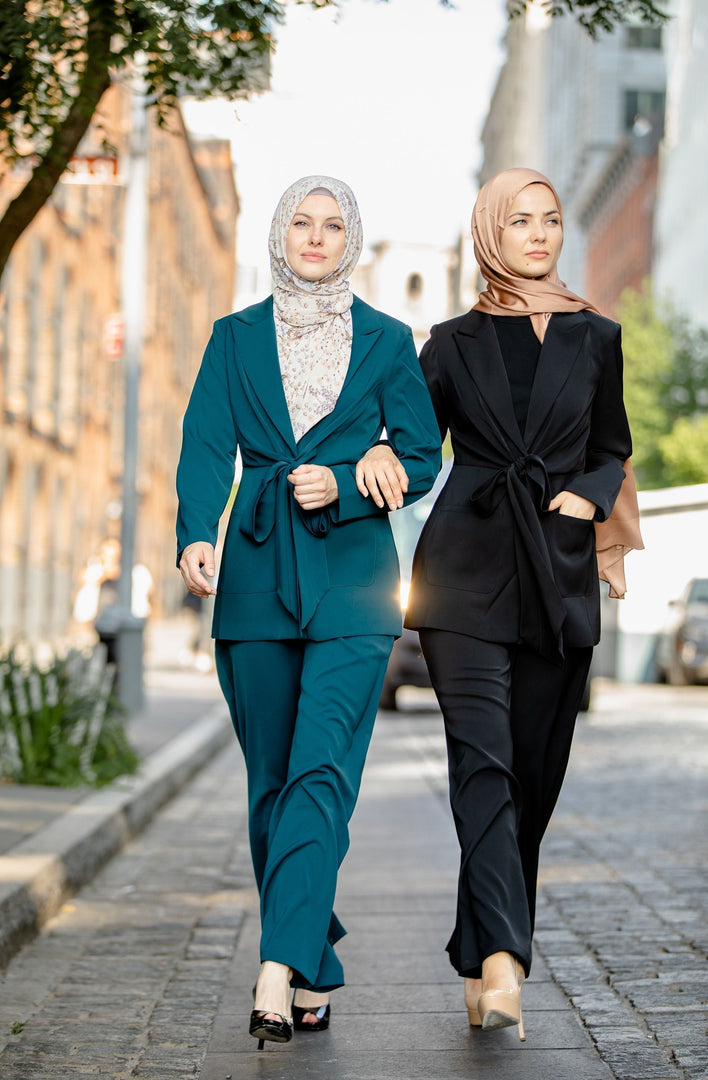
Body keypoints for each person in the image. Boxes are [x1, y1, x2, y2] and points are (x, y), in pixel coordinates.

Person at [175, 175, 440, 1049]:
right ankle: (314, 959)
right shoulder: (233, 338)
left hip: (356, 581)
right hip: (253, 570)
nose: (317, 236)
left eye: (334, 225)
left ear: (351, 237)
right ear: (281, 233)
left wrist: (363, 482)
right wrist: (194, 533)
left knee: (323, 771)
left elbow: (422, 453)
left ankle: (276, 970)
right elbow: (208, 442)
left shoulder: (391, 341)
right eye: (303, 221)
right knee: (272, 785)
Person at [402, 168, 642, 1040]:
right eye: (521, 221)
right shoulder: (451, 342)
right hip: (462, 569)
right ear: (490, 231)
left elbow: (612, 446)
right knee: (485, 762)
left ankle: (479, 948)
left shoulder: (598, 335)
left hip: (559, 572)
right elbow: (409, 444)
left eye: (551, 220)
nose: (538, 235)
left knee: (532, 779)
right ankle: (506, 959)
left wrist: (588, 495)